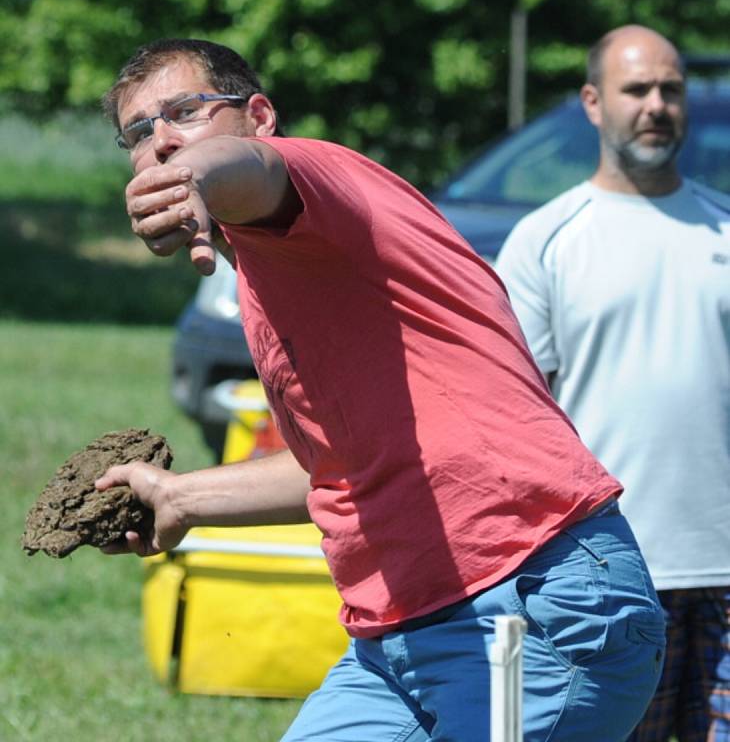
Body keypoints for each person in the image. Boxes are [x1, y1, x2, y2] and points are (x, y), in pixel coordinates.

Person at [96, 37, 665, 742]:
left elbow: (246, 167)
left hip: (531, 602)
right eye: (139, 132)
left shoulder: (316, 177)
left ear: (260, 117)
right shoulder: (275, 276)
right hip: (397, 640)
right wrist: (181, 498)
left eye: (185, 111)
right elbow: (341, 468)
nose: (162, 142)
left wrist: (197, 177)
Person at [496, 25, 730, 742]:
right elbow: (508, 421)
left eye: (671, 90)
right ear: (593, 103)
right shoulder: (546, 239)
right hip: (602, 580)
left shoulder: (724, 231)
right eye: (637, 89)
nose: (656, 105)